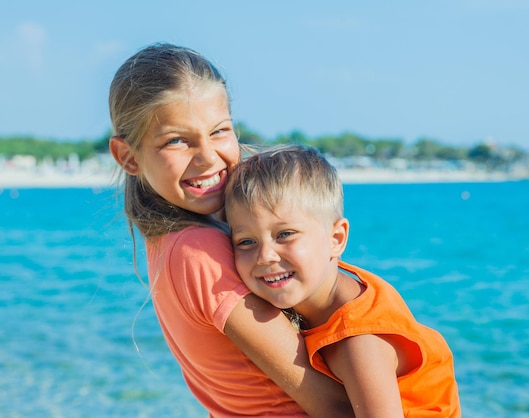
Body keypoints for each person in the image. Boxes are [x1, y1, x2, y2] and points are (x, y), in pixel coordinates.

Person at [108, 43, 354, 418]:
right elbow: (334, 405)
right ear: (127, 156)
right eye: (176, 140)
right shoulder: (199, 252)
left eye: (219, 131)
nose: (208, 157)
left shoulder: (170, 242)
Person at [224, 144, 462, 418]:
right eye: (246, 241)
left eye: (285, 234)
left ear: (336, 239)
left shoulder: (359, 343)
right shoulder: (328, 284)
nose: (264, 256)